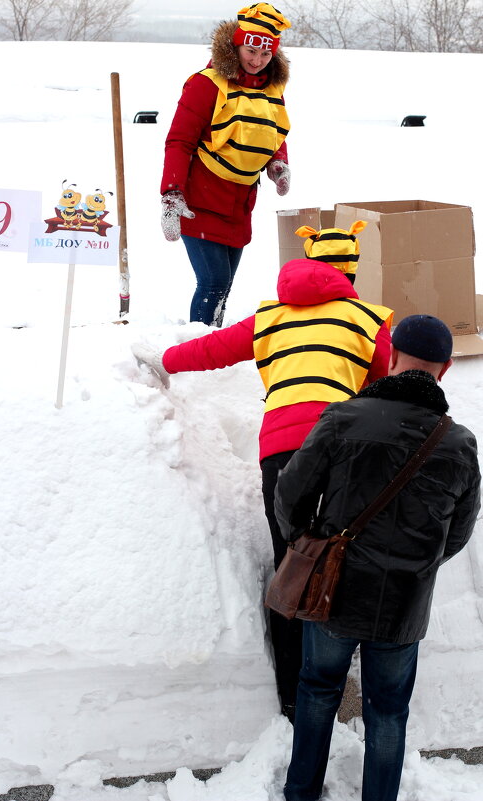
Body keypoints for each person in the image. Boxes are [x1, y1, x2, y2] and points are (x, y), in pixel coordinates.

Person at [132, 223, 394, 722]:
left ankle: (296, 699)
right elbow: (382, 382)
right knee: (343, 554)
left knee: (292, 564)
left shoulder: (270, 317)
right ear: (350, 274)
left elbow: (209, 350)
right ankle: (340, 675)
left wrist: (160, 359)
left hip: (283, 453)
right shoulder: (365, 318)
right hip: (345, 448)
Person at [274, 314, 481, 801]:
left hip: (334, 592)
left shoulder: (344, 416)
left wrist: (309, 543)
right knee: (388, 711)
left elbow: (289, 495)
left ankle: (300, 793)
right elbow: (460, 532)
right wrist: (419, 566)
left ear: (390, 357)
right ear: (445, 369)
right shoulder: (458, 442)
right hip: (404, 606)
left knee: (318, 690)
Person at [160, 3, 292, 328]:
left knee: (224, 285)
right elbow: (179, 141)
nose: (257, 60)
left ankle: (208, 348)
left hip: (240, 205)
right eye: (251, 50)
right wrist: (171, 197)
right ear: (236, 44)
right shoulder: (206, 84)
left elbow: (272, 133)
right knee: (214, 281)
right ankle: (196, 350)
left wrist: (278, 164)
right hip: (200, 202)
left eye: (265, 55)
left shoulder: (272, 89)